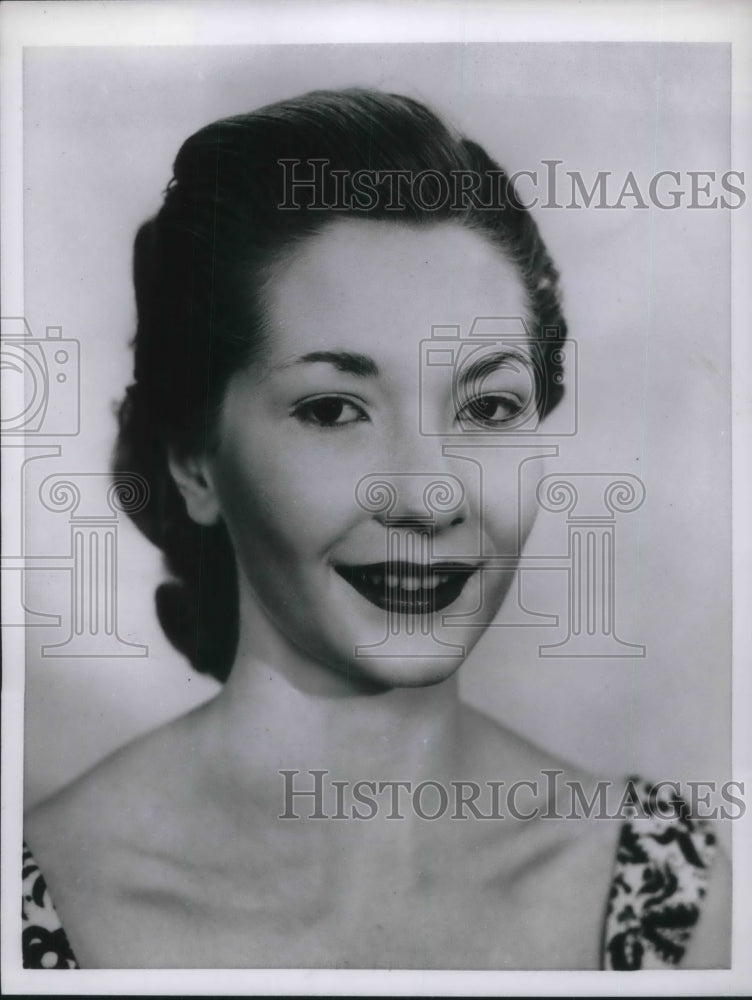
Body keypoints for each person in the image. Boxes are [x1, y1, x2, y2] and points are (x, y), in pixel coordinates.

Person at [22, 88, 729, 971]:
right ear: (193, 461)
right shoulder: (42, 899)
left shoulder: (660, 880)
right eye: (332, 409)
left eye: (489, 405)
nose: (430, 499)